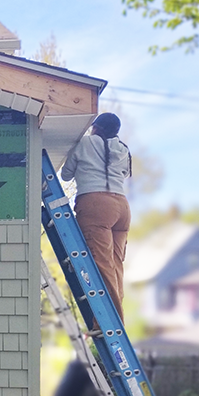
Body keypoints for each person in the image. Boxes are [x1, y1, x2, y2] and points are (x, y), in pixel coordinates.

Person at [61, 112, 132, 318]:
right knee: (116, 264)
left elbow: (66, 175)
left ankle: (107, 321)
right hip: (122, 206)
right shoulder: (123, 149)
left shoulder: (85, 143)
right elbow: (125, 174)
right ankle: (118, 318)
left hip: (95, 205)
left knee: (101, 264)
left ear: (96, 127)